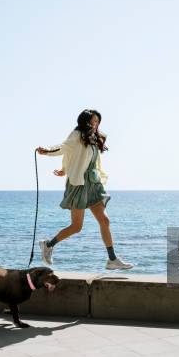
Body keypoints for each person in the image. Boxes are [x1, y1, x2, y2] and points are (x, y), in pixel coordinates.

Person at [36, 109, 134, 270]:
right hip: (79, 185)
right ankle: (48, 244)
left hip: (94, 184)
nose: (95, 125)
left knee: (104, 220)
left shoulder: (94, 138)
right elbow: (64, 148)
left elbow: (80, 156)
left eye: (97, 122)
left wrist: (65, 168)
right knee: (76, 226)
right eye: (93, 121)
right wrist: (46, 151)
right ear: (85, 121)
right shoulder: (76, 134)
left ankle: (112, 259)